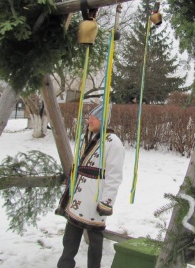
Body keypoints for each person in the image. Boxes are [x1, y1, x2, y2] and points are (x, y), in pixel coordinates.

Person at [56, 103, 125, 268]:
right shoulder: (87, 137)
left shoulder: (113, 143)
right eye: (89, 118)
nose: (89, 121)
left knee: (95, 239)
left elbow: (114, 175)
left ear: (103, 121)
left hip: (95, 197)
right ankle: (65, 265)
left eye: (93, 118)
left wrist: (106, 202)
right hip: (79, 196)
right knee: (70, 235)